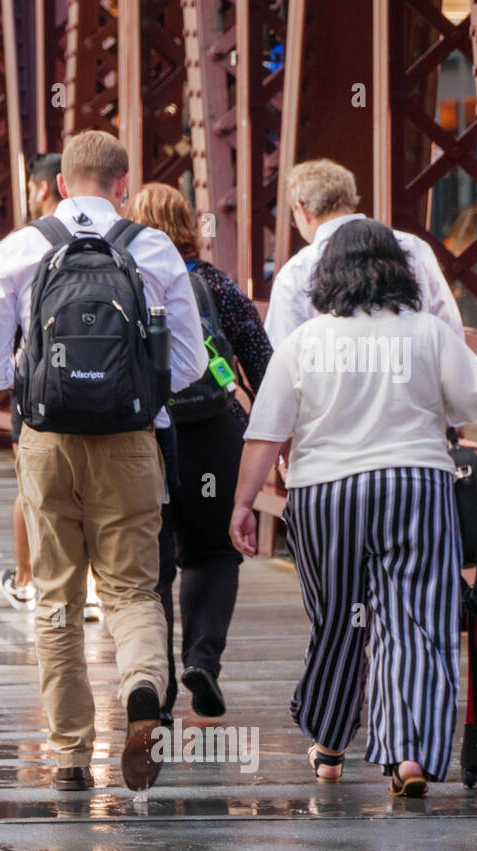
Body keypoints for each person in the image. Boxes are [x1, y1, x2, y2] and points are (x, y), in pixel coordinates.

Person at [233, 219, 477, 796]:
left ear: (329, 275)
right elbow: (474, 403)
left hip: (325, 494)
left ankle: (332, 745)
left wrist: (242, 503)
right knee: (416, 622)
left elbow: (265, 432)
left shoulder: (305, 341)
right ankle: (409, 755)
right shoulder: (427, 333)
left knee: (338, 621)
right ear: (399, 270)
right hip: (415, 484)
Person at [0, 131, 206, 792]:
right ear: (122, 186)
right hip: (131, 440)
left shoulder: (21, 247)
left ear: (57, 186)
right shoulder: (153, 248)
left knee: (57, 594)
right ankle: (139, 686)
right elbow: (188, 366)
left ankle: (72, 752)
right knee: (132, 590)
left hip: (45, 442)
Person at [123, 183, 274, 719]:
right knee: (212, 553)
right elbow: (264, 361)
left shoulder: (126, 281)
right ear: (189, 226)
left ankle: (157, 690)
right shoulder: (215, 283)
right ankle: (202, 660)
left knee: (154, 565)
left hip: (148, 435)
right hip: (214, 432)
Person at [265, 159, 463, 347]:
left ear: (302, 210)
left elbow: (282, 351)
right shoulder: (414, 247)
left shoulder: (296, 271)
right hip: (410, 376)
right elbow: (449, 331)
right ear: (351, 200)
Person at [0, 152, 64, 611]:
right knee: (93, 497)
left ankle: (26, 579)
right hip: (111, 397)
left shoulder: (19, 246)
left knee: (31, 489)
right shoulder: (122, 240)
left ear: (43, 187)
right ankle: (93, 591)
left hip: (35, 392)